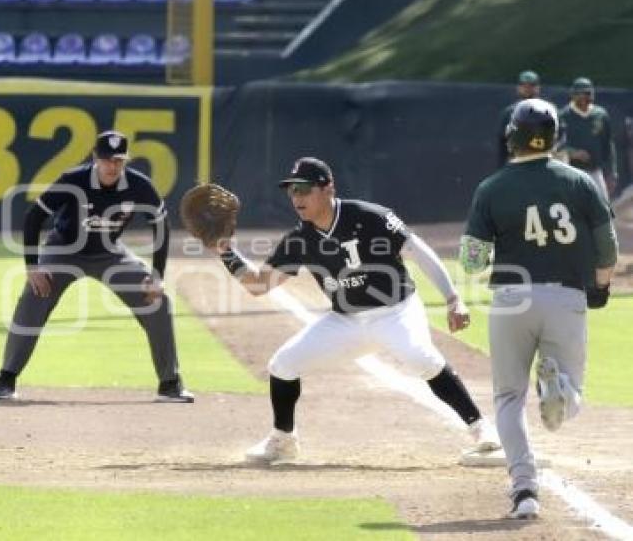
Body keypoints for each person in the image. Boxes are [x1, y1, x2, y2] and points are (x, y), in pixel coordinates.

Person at [215, 157, 501, 465]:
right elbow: (259, 284)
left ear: (328, 189)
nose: (297, 198)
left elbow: (417, 250)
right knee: (283, 365)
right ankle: (283, 440)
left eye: (304, 189)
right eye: (292, 191)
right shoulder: (300, 239)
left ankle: (483, 432)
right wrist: (225, 251)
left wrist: (452, 298)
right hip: (346, 320)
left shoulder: (369, 216)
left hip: (396, 312)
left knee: (422, 358)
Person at [461, 98, 618, 519]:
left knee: (508, 398)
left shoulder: (491, 188)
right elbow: (608, 249)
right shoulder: (581, 182)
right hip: (566, 297)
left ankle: (525, 489)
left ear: (511, 137)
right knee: (572, 398)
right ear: (556, 136)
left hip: (511, 301)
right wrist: (600, 288)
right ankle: (558, 391)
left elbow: (472, 261)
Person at [0, 130, 194, 403]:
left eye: (118, 160)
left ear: (126, 161)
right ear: (96, 157)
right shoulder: (74, 180)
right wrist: (32, 266)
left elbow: (161, 226)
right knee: (34, 294)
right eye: (107, 160)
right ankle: (5, 380)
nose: (112, 166)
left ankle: (170, 384)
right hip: (64, 250)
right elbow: (34, 217)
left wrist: (156, 276)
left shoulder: (139, 185)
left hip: (109, 253)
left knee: (156, 299)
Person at [559, 77, 619, 201]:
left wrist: (612, 171)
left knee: (603, 207)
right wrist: (572, 152)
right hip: (571, 172)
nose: (584, 97)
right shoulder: (563, 116)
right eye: (579, 94)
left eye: (587, 93)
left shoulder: (600, 115)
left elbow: (608, 144)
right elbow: (555, 145)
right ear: (573, 95)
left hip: (595, 171)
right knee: (574, 209)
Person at [497, 70, 542, 168]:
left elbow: (559, 140)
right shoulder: (509, 113)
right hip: (516, 163)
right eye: (524, 86)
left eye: (531, 86)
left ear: (538, 88)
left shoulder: (548, 111)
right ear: (518, 88)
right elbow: (503, 144)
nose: (527, 89)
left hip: (541, 163)